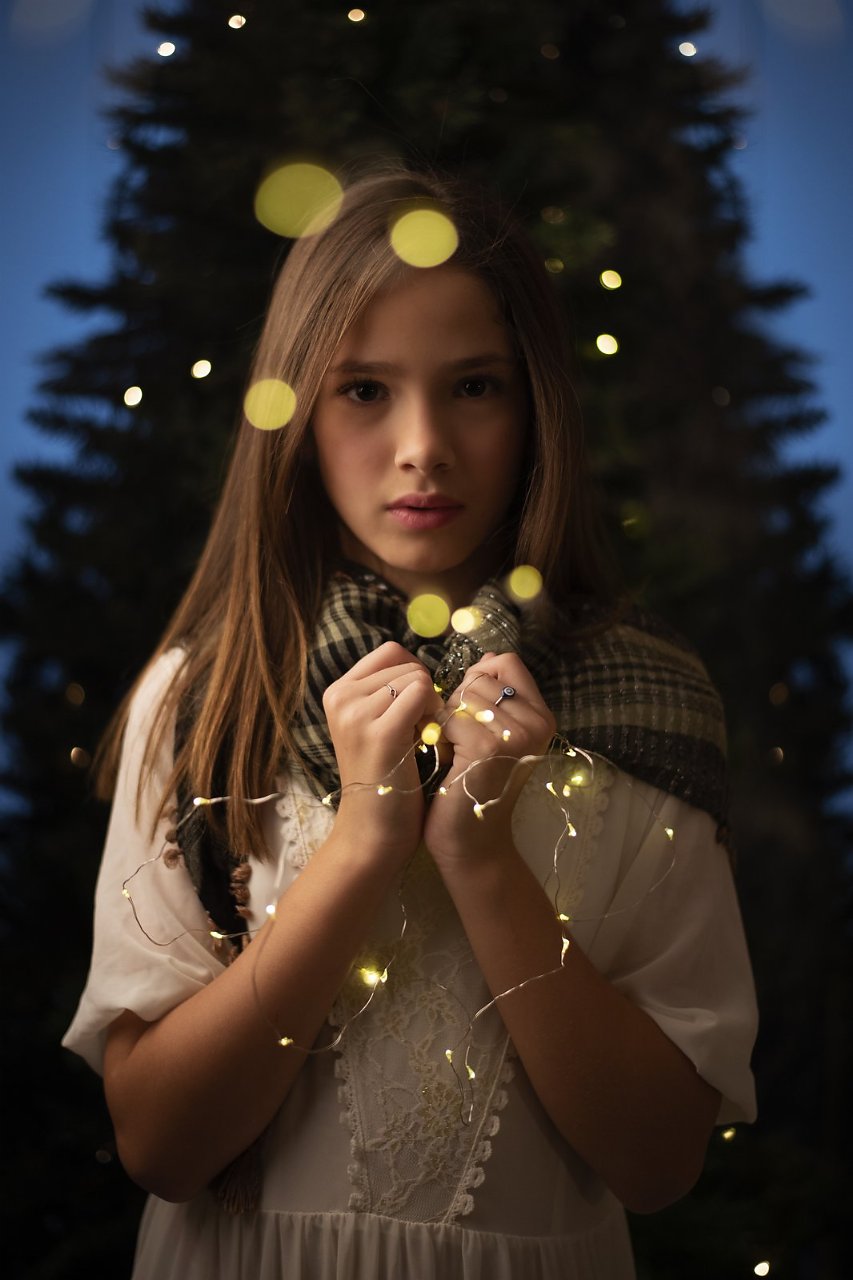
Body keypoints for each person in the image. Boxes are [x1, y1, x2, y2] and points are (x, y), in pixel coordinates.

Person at [63, 167, 758, 1279]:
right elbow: (161, 1141)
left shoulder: (646, 708)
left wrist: (480, 859)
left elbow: (658, 1160)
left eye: (474, 386)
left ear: (535, 403)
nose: (423, 444)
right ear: (293, 407)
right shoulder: (208, 696)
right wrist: (364, 844)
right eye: (364, 391)